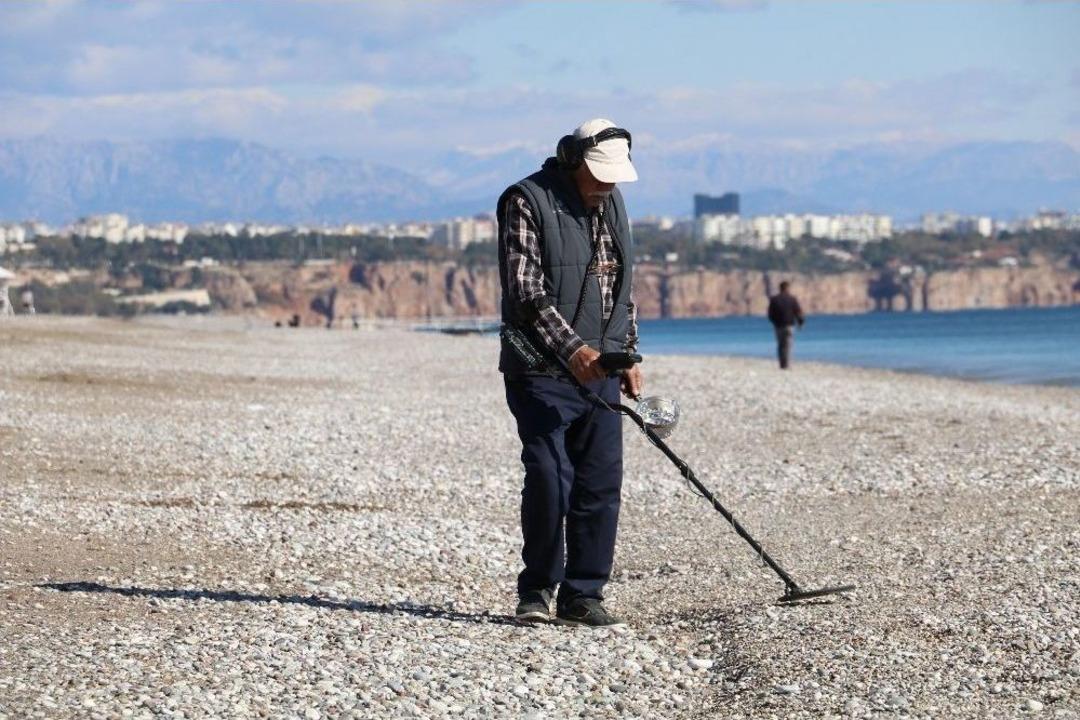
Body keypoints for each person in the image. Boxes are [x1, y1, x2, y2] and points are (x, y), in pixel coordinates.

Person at [497, 118, 642, 628]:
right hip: (539, 368)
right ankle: (537, 589)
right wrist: (574, 350)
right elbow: (526, 292)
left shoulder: (613, 202)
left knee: (600, 483)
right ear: (571, 160)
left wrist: (629, 354)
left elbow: (621, 290)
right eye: (600, 173)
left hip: (601, 368)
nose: (608, 184)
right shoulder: (525, 200)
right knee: (548, 478)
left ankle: (584, 595)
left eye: (615, 175)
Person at [767, 280, 805, 369]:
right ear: (788, 288)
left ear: (780, 288)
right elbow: (798, 312)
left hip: (778, 326)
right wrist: (801, 323)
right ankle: (786, 365)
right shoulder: (792, 299)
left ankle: (782, 364)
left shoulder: (774, 299)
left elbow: (770, 314)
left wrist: (774, 322)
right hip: (789, 325)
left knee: (780, 345)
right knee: (787, 345)